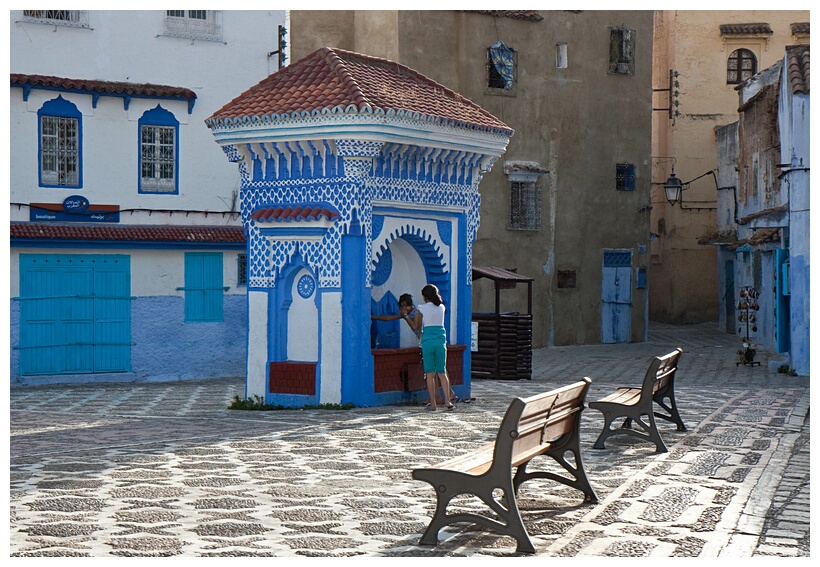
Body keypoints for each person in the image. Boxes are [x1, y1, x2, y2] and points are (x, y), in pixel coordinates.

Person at [417, 284, 454, 411]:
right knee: (442, 372)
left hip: (427, 341)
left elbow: (418, 326)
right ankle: (448, 401)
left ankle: (433, 404)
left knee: (429, 374)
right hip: (440, 341)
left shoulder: (421, 308)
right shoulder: (442, 308)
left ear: (425, 296)